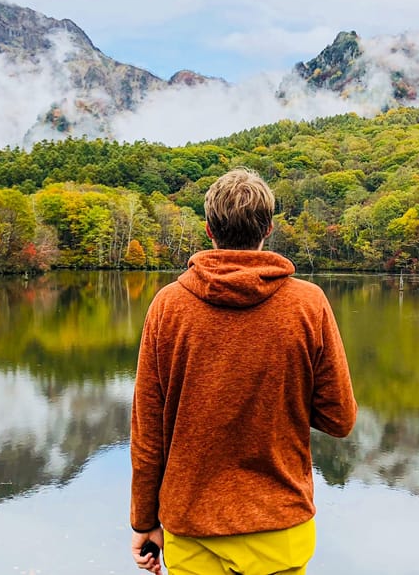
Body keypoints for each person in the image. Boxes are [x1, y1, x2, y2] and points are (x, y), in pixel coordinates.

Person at [130, 168, 358, 575]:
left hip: (192, 527)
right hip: (279, 527)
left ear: (209, 229)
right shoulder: (308, 305)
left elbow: (148, 435)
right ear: (268, 228)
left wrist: (144, 522)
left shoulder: (168, 307)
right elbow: (339, 419)